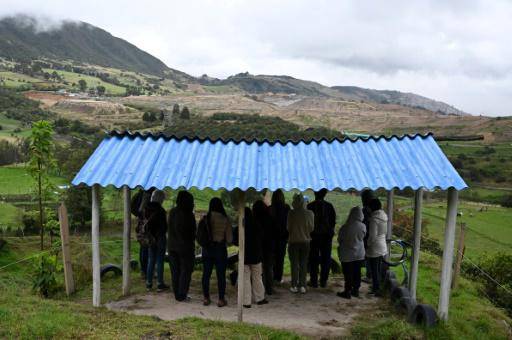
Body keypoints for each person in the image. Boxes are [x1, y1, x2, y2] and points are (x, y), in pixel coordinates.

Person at [201, 197, 232, 307]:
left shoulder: (205, 218)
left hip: (207, 249)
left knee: (206, 274)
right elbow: (229, 239)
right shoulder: (225, 219)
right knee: (221, 275)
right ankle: (221, 299)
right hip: (220, 249)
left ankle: (206, 298)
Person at [167, 190, 196, 301]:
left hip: (171, 246)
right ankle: (182, 294)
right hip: (185, 247)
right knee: (185, 271)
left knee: (175, 271)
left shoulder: (172, 212)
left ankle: (177, 294)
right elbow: (192, 231)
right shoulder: (189, 214)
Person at [307, 188, 336, 288]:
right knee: (326, 258)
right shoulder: (329, 206)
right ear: (325, 194)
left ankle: (314, 281)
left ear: (315, 193)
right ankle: (323, 281)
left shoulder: (310, 206)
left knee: (313, 258)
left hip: (313, 236)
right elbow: (333, 221)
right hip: (326, 236)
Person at [241, 206, 268, 308]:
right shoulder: (257, 223)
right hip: (256, 254)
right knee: (257, 277)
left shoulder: (241, 224)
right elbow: (262, 237)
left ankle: (246, 301)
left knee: (245, 278)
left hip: (244, 254)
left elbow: (235, 239)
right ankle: (260, 298)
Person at [336, 206, 366, 299]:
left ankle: (347, 291)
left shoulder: (345, 226)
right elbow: (363, 237)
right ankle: (356, 290)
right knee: (357, 272)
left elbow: (340, 239)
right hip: (359, 253)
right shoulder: (363, 226)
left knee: (348, 273)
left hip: (347, 253)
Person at [287, 194, 314, 294]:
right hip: (306, 242)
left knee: (294, 264)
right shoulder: (310, 213)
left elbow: (288, 228)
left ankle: (294, 285)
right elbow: (312, 228)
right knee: (303, 264)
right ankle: (303, 285)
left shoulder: (291, 213)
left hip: (293, 241)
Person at [144, 190, 169, 291]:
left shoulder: (146, 208)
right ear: (160, 199)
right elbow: (164, 227)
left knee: (151, 260)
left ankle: (149, 283)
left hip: (150, 238)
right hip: (160, 238)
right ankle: (159, 284)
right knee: (159, 260)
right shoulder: (161, 211)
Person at [131, 187, 155, 280]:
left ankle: (144, 271)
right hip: (146, 225)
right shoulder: (147, 195)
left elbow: (136, 210)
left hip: (141, 223)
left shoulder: (139, 194)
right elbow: (144, 211)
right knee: (147, 248)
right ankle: (147, 271)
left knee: (143, 248)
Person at [366, 198, 388, 296]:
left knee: (374, 269)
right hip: (382, 244)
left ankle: (376, 289)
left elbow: (372, 235)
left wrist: (368, 244)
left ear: (372, 207)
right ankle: (377, 287)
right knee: (378, 268)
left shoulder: (374, 219)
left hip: (375, 247)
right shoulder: (384, 216)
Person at [253, 200, 274, 295]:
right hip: (269, 245)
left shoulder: (254, 219)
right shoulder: (270, 218)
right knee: (268, 267)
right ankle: (269, 288)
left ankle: (260, 289)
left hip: (258, 246)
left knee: (258, 269)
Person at [269, 189, 290, 284]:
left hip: (272, 237)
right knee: (280, 258)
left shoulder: (270, 208)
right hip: (283, 237)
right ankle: (278, 277)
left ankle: (271, 277)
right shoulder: (286, 208)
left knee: (272, 258)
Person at [361, 189, 375, 284]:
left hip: (367, 235)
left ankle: (369, 275)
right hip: (374, 235)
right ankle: (371, 275)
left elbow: (363, 222)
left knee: (368, 255)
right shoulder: (375, 209)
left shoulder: (365, 209)